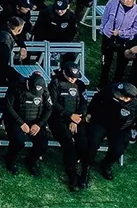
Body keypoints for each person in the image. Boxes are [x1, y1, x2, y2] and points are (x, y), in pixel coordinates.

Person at [80, 81, 137, 188]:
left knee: (118, 150)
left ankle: (106, 164)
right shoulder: (111, 90)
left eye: (120, 95)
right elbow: (97, 98)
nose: (116, 94)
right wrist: (90, 113)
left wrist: (134, 127)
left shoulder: (136, 105)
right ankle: (86, 168)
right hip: (101, 121)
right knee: (92, 143)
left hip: (120, 128)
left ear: (128, 98)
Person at [48, 62, 88, 191]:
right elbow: (53, 103)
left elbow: (83, 104)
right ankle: (72, 176)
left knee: (83, 143)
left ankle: (84, 174)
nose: (73, 79)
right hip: (58, 119)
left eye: (75, 77)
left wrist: (75, 119)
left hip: (76, 118)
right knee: (68, 143)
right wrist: (69, 116)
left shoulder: (80, 85)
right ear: (64, 72)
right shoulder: (55, 83)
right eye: (71, 77)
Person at [2, 72, 51, 176]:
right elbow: (8, 106)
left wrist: (39, 124)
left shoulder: (44, 90)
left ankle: (31, 160)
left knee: (43, 144)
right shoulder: (16, 87)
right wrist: (21, 123)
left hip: (35, 121)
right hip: (16, 119)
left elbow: (48, 109)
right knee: (18, 141)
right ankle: (11, 159)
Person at [100, 0, 137, 84]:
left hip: (125, 39)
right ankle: (103, 81)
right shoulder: (112, 3)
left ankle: (117, 82)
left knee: (122, 62)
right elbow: (105, 17)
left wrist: (121, 33)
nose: (125, 0)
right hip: (108, 36)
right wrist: (103, 29)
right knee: (106, 61)